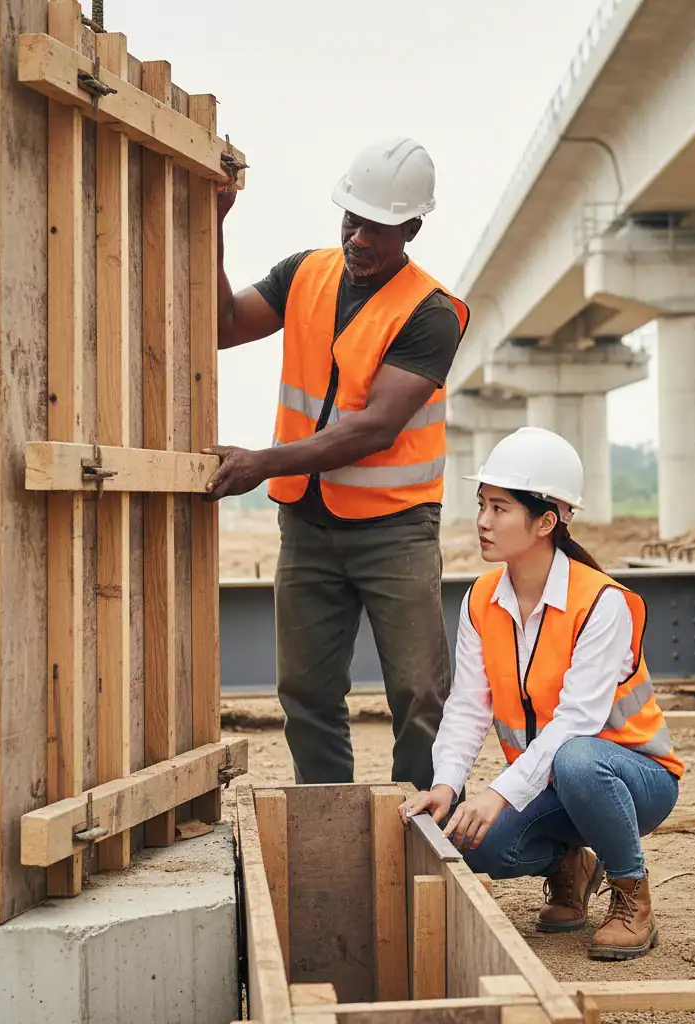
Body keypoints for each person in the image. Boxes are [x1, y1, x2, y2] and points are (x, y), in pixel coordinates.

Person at [203, 138, 470, 794]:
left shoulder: (431, 314)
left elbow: (374, 429)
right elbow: (222, 323)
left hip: (396, 529)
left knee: (417, 691)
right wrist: (213, 223)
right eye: (350, 220)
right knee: (305, 690)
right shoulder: (305, 273)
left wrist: (261, 462)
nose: (357, 238)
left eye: (376, 228)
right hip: (307, 523)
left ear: (411, 227)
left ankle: (420, 822)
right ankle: (328, 821)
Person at [399, 427, 684, 961]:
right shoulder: (482, 600)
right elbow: (467, 706)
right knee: (472, 842)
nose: (482, 521)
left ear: (546, 521)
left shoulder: (602, 603)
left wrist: (501, 793)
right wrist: (447, 785)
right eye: (482, 504)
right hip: (553, 781)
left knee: (576, 758)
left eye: (500, 508)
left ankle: (632, 895)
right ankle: (570, 864)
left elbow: (577, 722)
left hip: (634, 779)